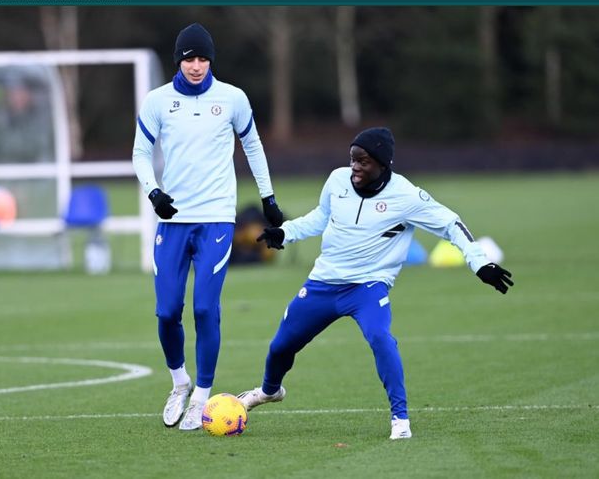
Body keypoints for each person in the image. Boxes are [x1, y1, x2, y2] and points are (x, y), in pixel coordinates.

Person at [237, 126, 513, 440]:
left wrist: (480, 263)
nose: (355, 166)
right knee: (280, 346)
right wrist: (284, 232)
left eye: (363, 161)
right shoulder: (337, 180)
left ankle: (400, 419)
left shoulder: (407, 197)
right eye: (353, 158)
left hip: (368, 288)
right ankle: (269, 391)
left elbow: (451, 224)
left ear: (383, 165)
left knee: (381, 338)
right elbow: (320, 217)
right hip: (323, 283)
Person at [132, 23, 283, 431]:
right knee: (167, 312)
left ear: (210, 60)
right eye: (188, 58)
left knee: (204, 308)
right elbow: (141, 153)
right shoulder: (157, 101)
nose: (196, 65)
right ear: (177, 60)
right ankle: (179, 382)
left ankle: (202, 394)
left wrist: (268, 199)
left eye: (202, 58)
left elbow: (253, 146)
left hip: (217, 217)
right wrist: (154, 192)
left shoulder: (232, 98)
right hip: (173, 220)